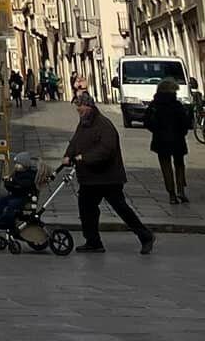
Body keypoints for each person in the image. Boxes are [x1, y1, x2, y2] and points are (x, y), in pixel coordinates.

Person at [62, 90, 155, 254]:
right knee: (86, 208)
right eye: (77, 108)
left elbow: (106, 150)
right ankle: (93, 241)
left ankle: (145, 235)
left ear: (89, 106)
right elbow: (75, 141)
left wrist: (84, 157)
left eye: (80, 107)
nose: (79, 111)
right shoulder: (84, 123)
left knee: (121, 208)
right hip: (90, 178)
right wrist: (68, 155)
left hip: (108, 177)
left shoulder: (104, 125)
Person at [148, 79, 192, 204]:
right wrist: (182, 132)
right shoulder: (177, 105)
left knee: (165, 166)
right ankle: (181, 191)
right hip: (177, 139)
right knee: (179, 165)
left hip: (161, 140)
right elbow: (185, 122)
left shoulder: (155, 105)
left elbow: (147, 120)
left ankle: (172, 195)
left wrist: (156, 130)